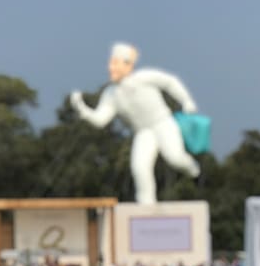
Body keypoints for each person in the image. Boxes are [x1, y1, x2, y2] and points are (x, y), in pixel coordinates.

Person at [69, 42, 201, 204]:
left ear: (128, 65)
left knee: (174, 157)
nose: (111, 68)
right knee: (139, 168)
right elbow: (100, 120)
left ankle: (193, 168)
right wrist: (81, 108)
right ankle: (146, 206)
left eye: (115, 63)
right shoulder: (111, 94)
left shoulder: (144, 77)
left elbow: (170, 82)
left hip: (163, 123)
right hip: (143, 132)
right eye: (111, 63)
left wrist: (186, 101)